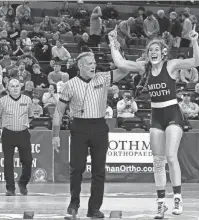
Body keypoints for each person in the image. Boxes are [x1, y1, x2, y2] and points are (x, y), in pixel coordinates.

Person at [108, 25, 199, 219]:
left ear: (163, 52)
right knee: (158, 162)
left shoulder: (172, 65)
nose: (153, 53)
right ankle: (160, 203)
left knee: (170, 156)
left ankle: (177, 197)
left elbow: (196, 61)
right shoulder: (144, 67)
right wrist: (112, 43)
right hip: (156, 115)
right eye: (150, 50)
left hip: (173, 114)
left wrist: (193, 41)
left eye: (156, 50)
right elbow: (121, 63)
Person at [51, 49, 131, 218]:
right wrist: (56, 135)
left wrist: (115, 50)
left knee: (99, 170)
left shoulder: (103, 77)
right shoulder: (70, 85)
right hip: (79, 126)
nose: (93, 66)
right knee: (77, 168)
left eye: (94, 63)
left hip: (99, 126)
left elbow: (124, 70)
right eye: (89, 63)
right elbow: (59, 111)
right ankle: (73, 204)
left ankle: (94, 208)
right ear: (80, 66)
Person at [0, 78, 34, 196]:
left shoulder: (27, 100)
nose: (15, 88)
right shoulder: (2, 101)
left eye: (17, 86)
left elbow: (31, 116)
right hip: (8, 134)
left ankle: (23, 183)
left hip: (23, 133)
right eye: (12, 86)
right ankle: (10, 188)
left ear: (20, 87)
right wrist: (4, 127)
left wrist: (22, 124)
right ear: (8, 88)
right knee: (8, 162)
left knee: (27, 160)